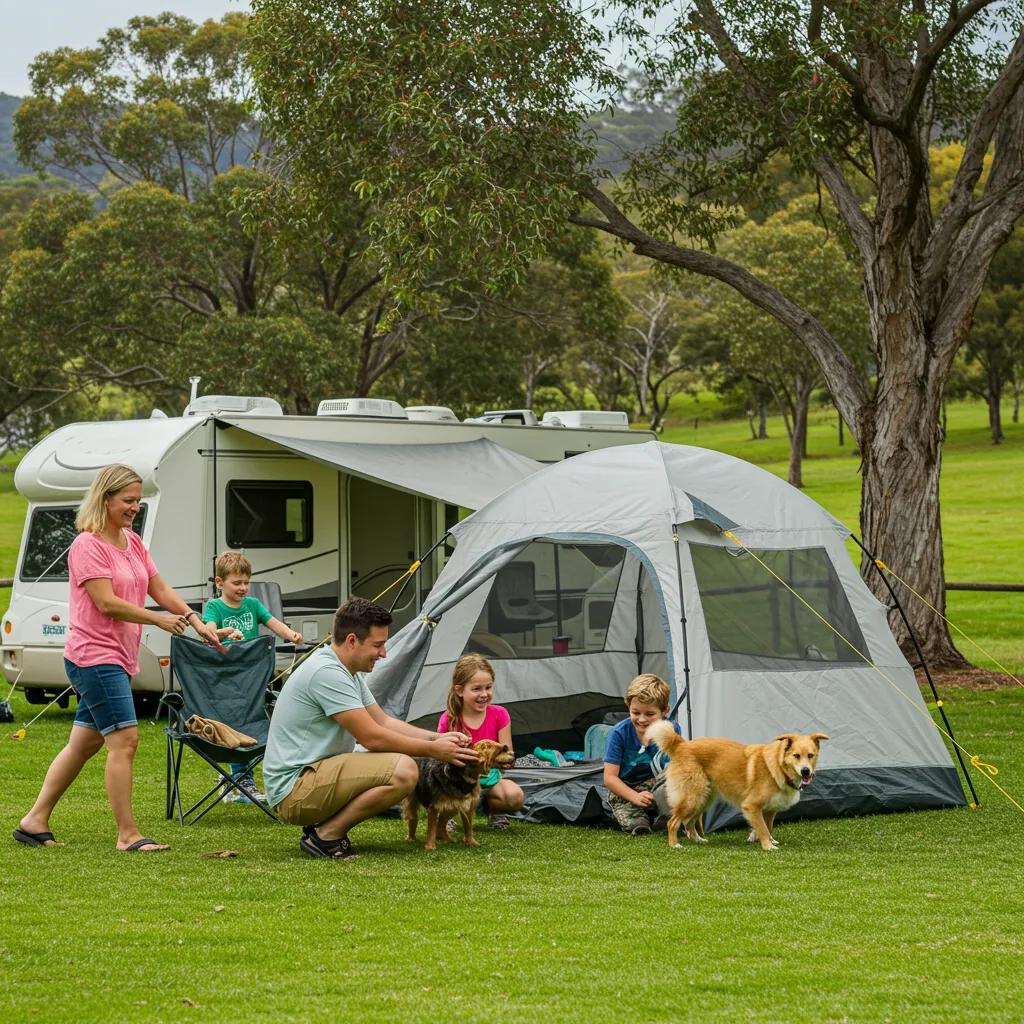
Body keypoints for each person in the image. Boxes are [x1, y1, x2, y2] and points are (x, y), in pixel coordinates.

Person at [14, 464, 220, 852]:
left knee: (84, 744)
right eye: (128, 500)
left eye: (138, 500)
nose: (135, 507)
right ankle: (128, 835)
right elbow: (107, 604)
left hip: (118, 656)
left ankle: (33, 820)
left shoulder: (132, 541)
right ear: (105, 499)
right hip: (94, 656)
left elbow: (158, 586)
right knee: (124, 740)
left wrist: (196, 620)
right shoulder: (87, 545)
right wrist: (159, 620)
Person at [263, 597, 477, 860]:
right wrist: (435, 750)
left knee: (401, 764)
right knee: (405, 770)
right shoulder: (327, 673)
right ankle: (327, 836)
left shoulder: (346, 670)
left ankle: (323, 828)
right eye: (378, 645)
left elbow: (383, 721)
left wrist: (439, 736)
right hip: (294, 791)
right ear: (352, 640)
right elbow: (372, 737)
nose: (384, 653)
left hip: (311, 776)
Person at [202, 550, 304, 803]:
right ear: (219, 582)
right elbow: (209, 632)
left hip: (254, 678)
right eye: (237, 583)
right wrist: (226, 632)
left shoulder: (253, 605)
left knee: (253, 720)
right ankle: (240, 780)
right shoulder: (214, 607)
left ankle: (236, 780)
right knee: (239, 721)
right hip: (227, 678)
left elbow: (273, 623)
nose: (243, 588)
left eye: (246, 582)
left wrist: (289, 635)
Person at [437, 653, 524, 829]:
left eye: (488, 687)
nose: (484, 694)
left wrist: (506, 761)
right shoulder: (449, 719)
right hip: (459, 782)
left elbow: (508, 755)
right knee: (446, 787)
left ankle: (492, 810)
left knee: (515, 796)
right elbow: (439, 760)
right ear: (460, 690)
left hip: (489, 781)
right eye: (476, 689)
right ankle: (448, 815)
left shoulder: (500, 715)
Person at [602, 673, 681, 836]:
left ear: (664, 710)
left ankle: (666, 816)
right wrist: (634, 796)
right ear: (628, 707)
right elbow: (610, 778)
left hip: (659, 784)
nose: (642, 719)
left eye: (650, 714)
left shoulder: (671, 729)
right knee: (636, 825)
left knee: (677, 776)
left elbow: (678, 763)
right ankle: (644, 817)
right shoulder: (618, 734)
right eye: (636, 713)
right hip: (627, 789)